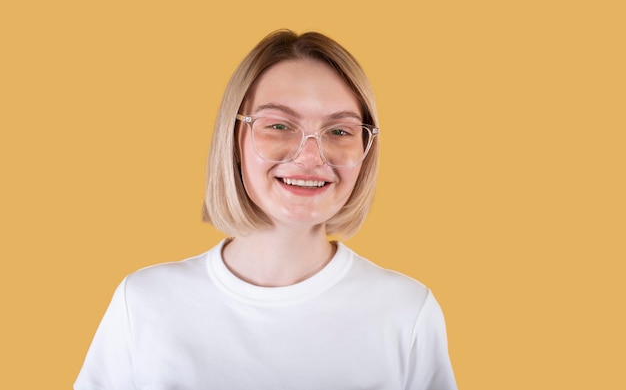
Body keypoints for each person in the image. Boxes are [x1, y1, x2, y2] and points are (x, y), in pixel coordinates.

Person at [74, 29, 458, 390]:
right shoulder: (144, 303)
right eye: (278, 125)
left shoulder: (407, 313)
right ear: (234, 137)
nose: (310, 156)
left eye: (339, 131)